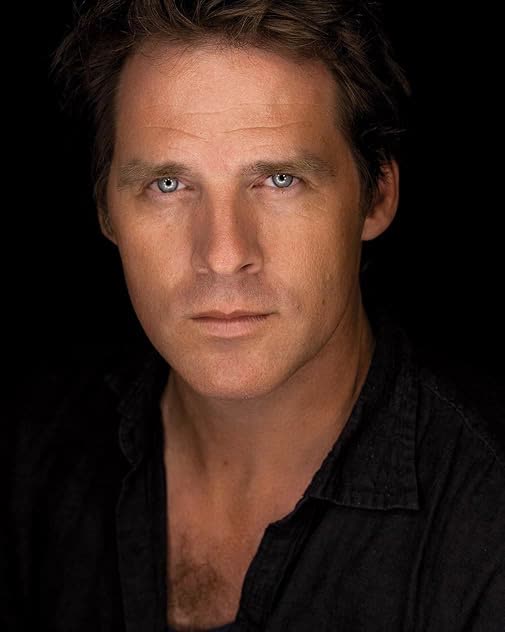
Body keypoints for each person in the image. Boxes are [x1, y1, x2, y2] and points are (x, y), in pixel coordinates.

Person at [5, 1, 504, 630]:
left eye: (279, 180)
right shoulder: (37, 453)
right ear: (106, 211)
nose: (223, 254)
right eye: (168, 185)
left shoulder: (488, 523)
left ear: (375, 195)